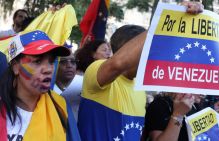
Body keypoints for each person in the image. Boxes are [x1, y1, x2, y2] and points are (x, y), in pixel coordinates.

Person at [77, 2, 203, 141]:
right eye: (150, 48)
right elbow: (118, 63)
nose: (154, 55)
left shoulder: (139, 89)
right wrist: (169, 18)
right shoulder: (96, 69)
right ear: (130, 49)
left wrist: (178, 114)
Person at [0, 30, 80, 141]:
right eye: (37, 61)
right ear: (15, 67)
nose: (48, 69)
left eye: (51, 62)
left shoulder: (61, 107)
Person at [54, 51, 82, 121]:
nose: (69, 65)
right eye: (63, 62)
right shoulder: (46, 89)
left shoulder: (84, 83)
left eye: (73, 61)